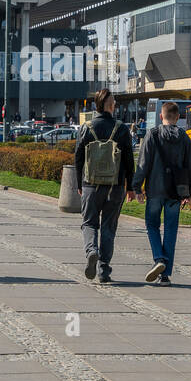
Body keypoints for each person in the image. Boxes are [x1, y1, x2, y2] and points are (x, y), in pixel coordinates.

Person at [73, 89, 136, 283]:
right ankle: (104, 270)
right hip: (114, 186)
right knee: (109, 228)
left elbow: (78, 157)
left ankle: (92, 250)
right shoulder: (121, 128)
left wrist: (79, 184)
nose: (115, 104)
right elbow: (128, 160)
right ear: (110, 105)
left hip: (90, 184)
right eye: (114, 102)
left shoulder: (86, 127)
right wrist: (130, 187)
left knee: (89, 223)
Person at [131, 101, 191, 286]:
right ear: (178, 118)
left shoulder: (153, 134)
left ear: (161, 116)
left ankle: (159, 259)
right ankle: (165, 275)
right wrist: (189, 191)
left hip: (155, 190)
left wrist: (136, 187)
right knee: (171, 230)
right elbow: (189, 166)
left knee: (151, 225)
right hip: (176, 191)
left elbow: (143, 163)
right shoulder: (184, 137)